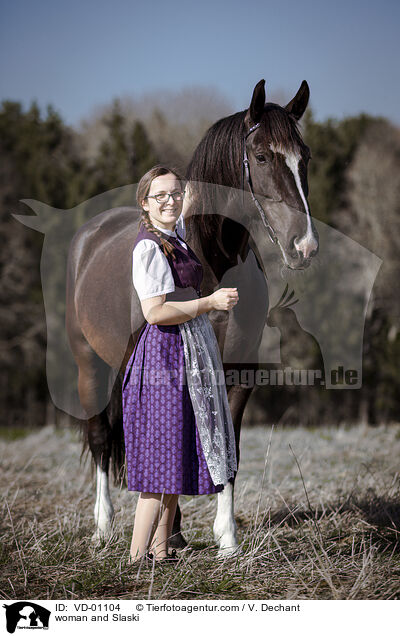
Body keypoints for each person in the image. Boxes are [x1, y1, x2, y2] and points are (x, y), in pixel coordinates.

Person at [122, 165, 239, 563]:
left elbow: (189, 203)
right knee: (158, 464)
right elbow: (155, 313)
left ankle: (161, 552)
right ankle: (137, 561)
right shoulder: (148, 248)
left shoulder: (175, 235)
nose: (170, 201)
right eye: (160, 196)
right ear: (144, 203)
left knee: (174, 454)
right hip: (165, 357)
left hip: (187, 353)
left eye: (175, 194)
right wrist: (209, 302)